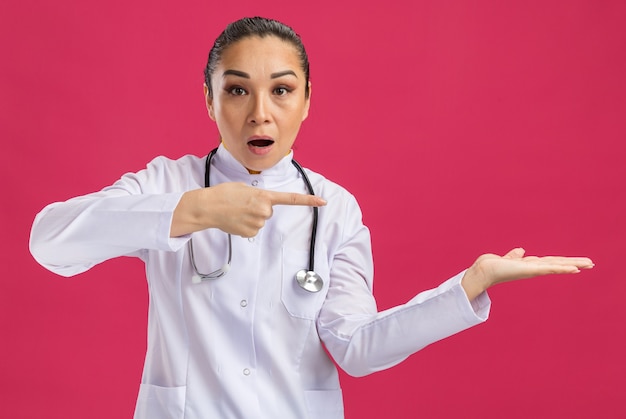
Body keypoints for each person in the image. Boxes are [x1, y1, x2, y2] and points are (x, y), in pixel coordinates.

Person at [29, 16, 594, 419]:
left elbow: (356, 347)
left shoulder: (336, 209)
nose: (260, 113)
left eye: (281, 90)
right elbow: (49, 241)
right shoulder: (168, 184)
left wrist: (469, 286)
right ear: (208, 100)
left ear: (306, 101)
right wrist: (193, 210)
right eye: (236, 90)